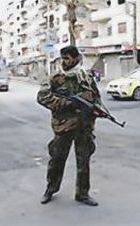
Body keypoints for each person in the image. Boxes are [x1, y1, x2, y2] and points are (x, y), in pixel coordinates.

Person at [37, 45, 103, 206]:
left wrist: (96, 110)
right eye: (62, 58)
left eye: (67, 58)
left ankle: (82, 193)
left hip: (83, 127)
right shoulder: (56, 78)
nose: (64, 62)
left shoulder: (85, 77)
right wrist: (66, 103)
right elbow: (42, 97)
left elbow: (96, 97)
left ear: (75, 58)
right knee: (57, 160)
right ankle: (50, 189)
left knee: (84, 162)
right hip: (63, 126)